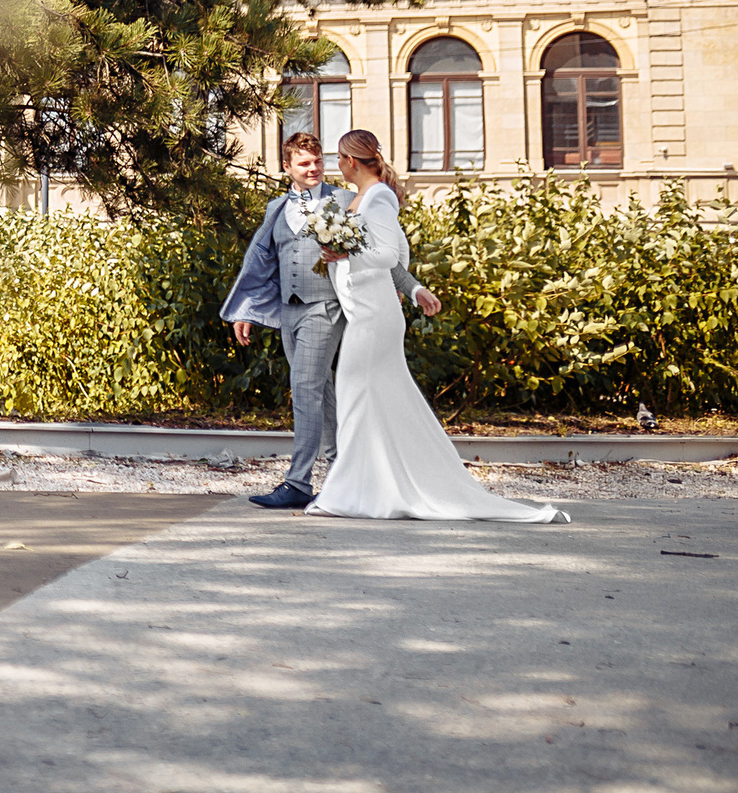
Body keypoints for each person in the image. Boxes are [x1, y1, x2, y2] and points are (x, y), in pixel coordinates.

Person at [309, 129, 567, 523]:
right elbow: (399, 252)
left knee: (356, 397)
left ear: (351, 161)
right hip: (365, 311)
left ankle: (348, 494)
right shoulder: (365, 197)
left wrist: (345, 251)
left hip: (374, 316)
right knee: (379, 401)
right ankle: (371, 489)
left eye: (340, 158)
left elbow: (387, 254)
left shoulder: (377, 195)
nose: (337, 164)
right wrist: (354, 261)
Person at [222, 133, 363, 509]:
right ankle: (340, 475)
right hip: (290, 310)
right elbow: (262, 264)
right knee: (322, 393)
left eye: (317, 161)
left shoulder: (344, 200)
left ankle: (298, 483)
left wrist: (400, 285)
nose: (313, 168)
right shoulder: (276, 209)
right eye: (304, 163)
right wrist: (246, 311)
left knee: (303, 388)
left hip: (325, 307)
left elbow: (372, 247)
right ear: (287, 167)